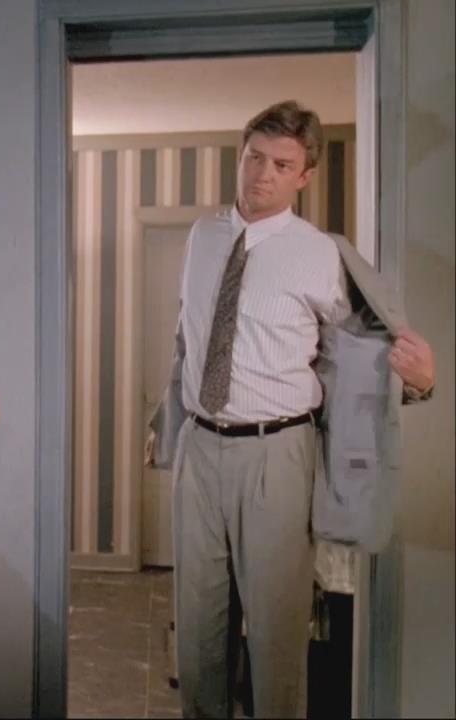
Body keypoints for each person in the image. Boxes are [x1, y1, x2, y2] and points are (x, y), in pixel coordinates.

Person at [157, 100, 435, 719]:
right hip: (199, 449)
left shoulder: (322, 255)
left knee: (276, 635)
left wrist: (419, 384)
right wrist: (166, 423)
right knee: (198, 632)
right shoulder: (202, 236)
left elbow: (363, 357)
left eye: (281, 165)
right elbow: (187, 338)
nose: (263, 174)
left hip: (278, 453)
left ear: (304, 176)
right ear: (240, 155)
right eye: (254, 157)